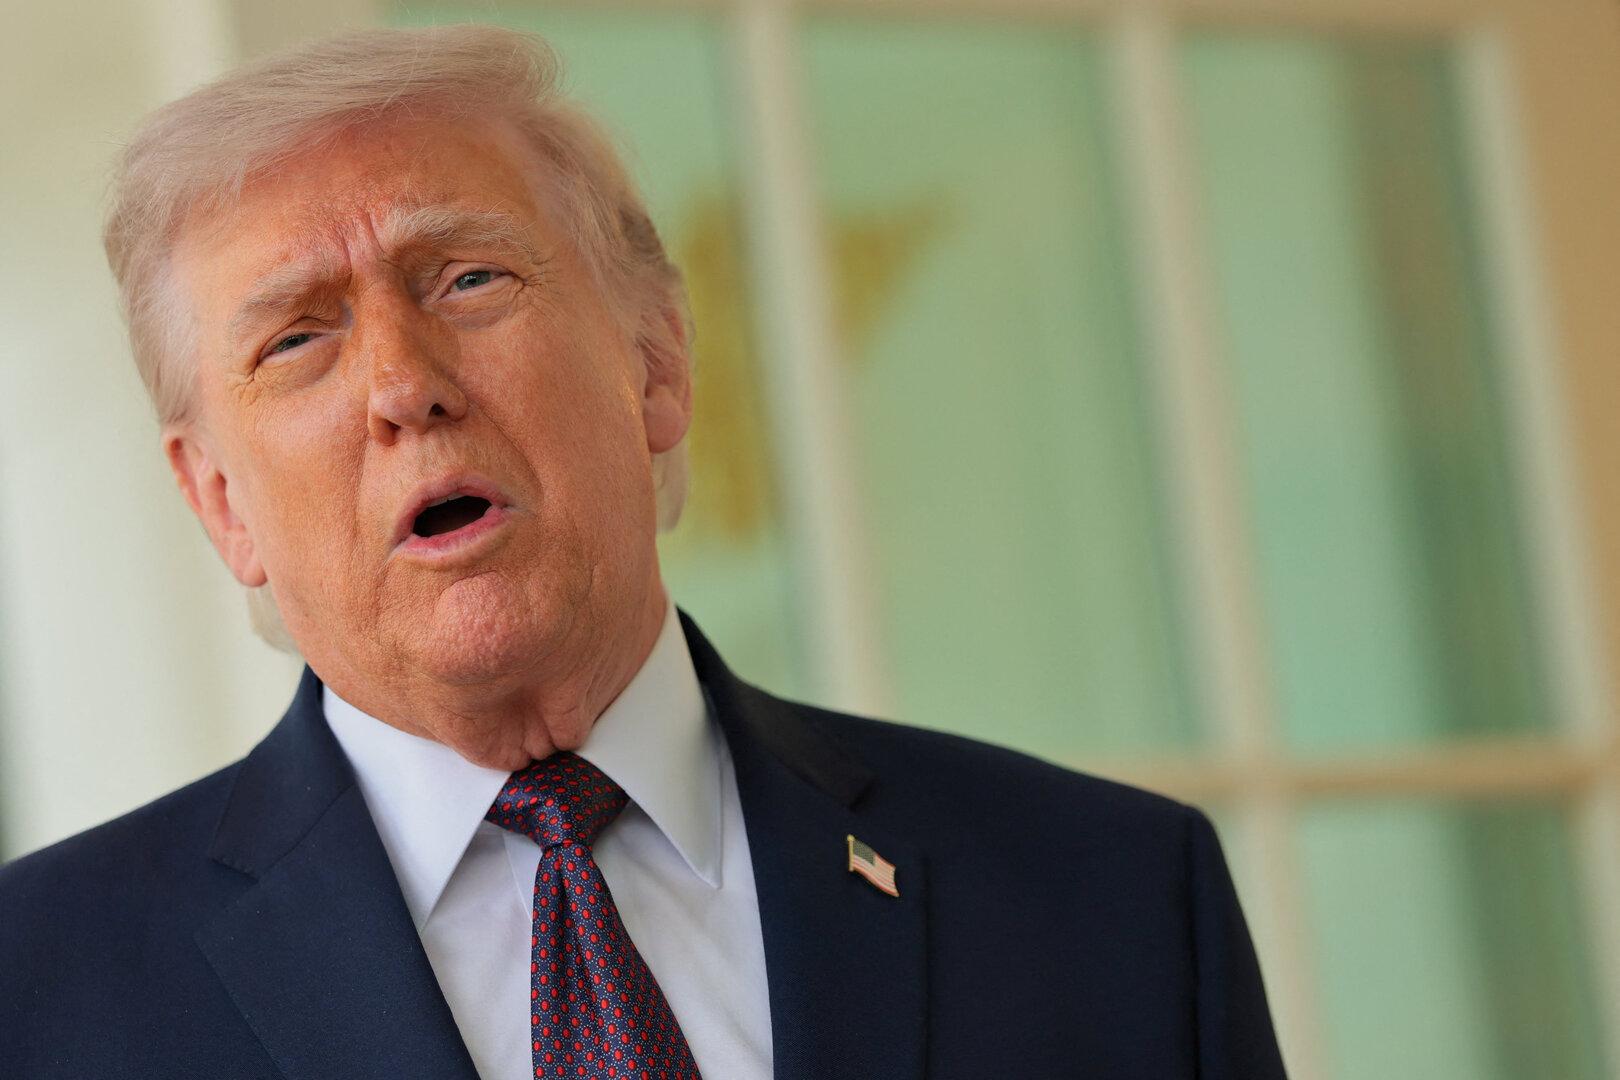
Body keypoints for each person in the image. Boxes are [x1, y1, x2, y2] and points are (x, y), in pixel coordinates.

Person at [0, 24, 1287, 1080]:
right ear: (221, 501)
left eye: (466, 279)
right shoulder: (35, 994)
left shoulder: (1112, 899)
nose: (404, 385)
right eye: (296, 340)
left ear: (656, 364)